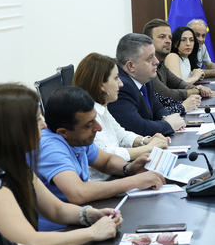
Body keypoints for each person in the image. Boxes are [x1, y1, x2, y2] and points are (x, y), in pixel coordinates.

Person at [0, 83, 123, 245]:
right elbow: (30, 243)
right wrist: (93, 233)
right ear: (15, 128)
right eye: (38, 119)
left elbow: (55, 209)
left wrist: (91, 215)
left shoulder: (18, 164)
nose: (44, 125)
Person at [37, 86, 165, 231]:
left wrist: (129, 168)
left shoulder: (76, 137)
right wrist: (135, 181)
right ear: (63, 132)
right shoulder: (50, 147)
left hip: (80, 219)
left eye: (95, 120)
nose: (98, 128)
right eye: (89, 125)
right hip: (59, 231)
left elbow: (106, 161)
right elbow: (78, 193)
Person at [73, 51, 170, 181]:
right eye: (116, 78)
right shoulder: (88, 116)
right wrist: (149, 148)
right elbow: (108, 154)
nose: (121, 83)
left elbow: (121, 135)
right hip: (105, 181)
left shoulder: (101, 107)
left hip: (115, 175)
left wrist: (146, 140)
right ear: (101, 84)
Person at [109, 33, 187, 136]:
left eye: (154, 55)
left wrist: (167, 118)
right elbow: (137, 127)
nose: (157, 61)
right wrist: (168, 125)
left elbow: (156, 107)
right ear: (131, 66)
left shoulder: (144, 79)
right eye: (150, 58)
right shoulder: (120, 87)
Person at [143, 18, 215, 113]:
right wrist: (198, 91)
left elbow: (179, 83)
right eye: (162, 37)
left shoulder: (160, 64)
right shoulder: (146, 67)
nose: (168, 41)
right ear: (148, 41)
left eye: (170, 37)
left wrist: (197, 88)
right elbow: (167, 93)